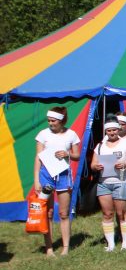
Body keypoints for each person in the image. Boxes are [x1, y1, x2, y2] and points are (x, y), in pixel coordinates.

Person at [33, 107, 81, 256]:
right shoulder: (43, 134)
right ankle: (49, 248)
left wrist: (68, 154)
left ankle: (65, 247)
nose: (50, 123)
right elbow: (38, 157)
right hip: (46, 175)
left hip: (63, 175)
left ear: (61, 120)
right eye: (49, 120)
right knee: (48, 212)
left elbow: (77, 155)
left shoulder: (71, 134)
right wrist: (36, 180)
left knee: (63, 213)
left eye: (53, 121)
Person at [90, 120, 126, 252]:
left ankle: (125, 244)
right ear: (105, 131)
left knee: (121, 213)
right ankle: (110, 244)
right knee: (107, 213)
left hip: (122, 181)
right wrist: (96, 166)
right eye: (109, 130)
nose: (112, 132)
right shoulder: (100, 146)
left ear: (118, 130)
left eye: (114, 130)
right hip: (104, 183)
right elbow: (93, 164)